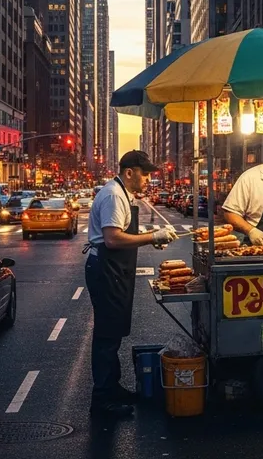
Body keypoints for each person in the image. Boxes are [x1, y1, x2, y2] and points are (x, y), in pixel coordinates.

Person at [84, 150, 177, 417]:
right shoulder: (114, 195)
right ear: (129, 173)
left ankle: (112, 388)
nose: (148, 179)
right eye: (144, 173)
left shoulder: (123, 194)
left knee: (113, 333)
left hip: (115, 269)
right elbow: (113, 238)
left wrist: (153, 238)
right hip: (106, 269)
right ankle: (102, 399)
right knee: (107, 336)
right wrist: (152, 236)